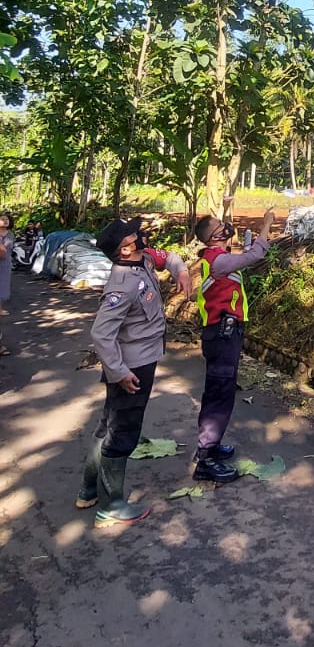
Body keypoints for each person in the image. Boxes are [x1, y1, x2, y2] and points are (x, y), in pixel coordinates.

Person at [76, 217, 191, 528]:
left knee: (107, 426)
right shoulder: (123, 284)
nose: (141, 235)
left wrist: (182, 272)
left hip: (138, 360)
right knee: (122, 433)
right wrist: (119, 371)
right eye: (134, 234)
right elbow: (101, 334)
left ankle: (88, 490)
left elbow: (168, 257)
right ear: (125, 250)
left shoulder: (143, 261)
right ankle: (111, 505)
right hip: (132, 367)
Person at [193, 208, 275, 483]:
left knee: (219, 391)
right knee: (219, 395)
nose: (226, 226)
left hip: (222, 333)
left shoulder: (218, 258)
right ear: (214, 237)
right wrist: (266, 225)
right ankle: (205, 459)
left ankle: (211, 446)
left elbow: (243, 258)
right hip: (222, 335)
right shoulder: (218, 261)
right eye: (220, 226)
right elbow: (254, 256)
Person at [0, 211, 15, 316]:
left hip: (5, 262)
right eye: (2, 219)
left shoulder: (10, 234)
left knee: (3, 284)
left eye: (7, 219)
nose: (5, 221)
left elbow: (5, 250)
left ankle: (0, 309)